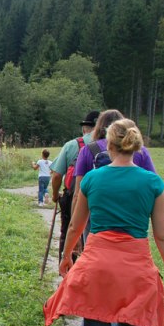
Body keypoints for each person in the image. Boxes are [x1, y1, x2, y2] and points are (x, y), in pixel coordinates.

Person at [44, 118, 164, 326]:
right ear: (137, 147)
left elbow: (76, 227)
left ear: (108, 145)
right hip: (136, 274)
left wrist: (67, 256)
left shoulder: (92, 180)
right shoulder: (153, 183)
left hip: (96, 269)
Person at [50, 110, 99, 261]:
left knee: (69, 231)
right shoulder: (111, 145)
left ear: (85, 128)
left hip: (73, 197)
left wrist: (55, 195)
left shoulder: (72, 145)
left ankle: (67, 269)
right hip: (99, 197)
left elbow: (57, 174)